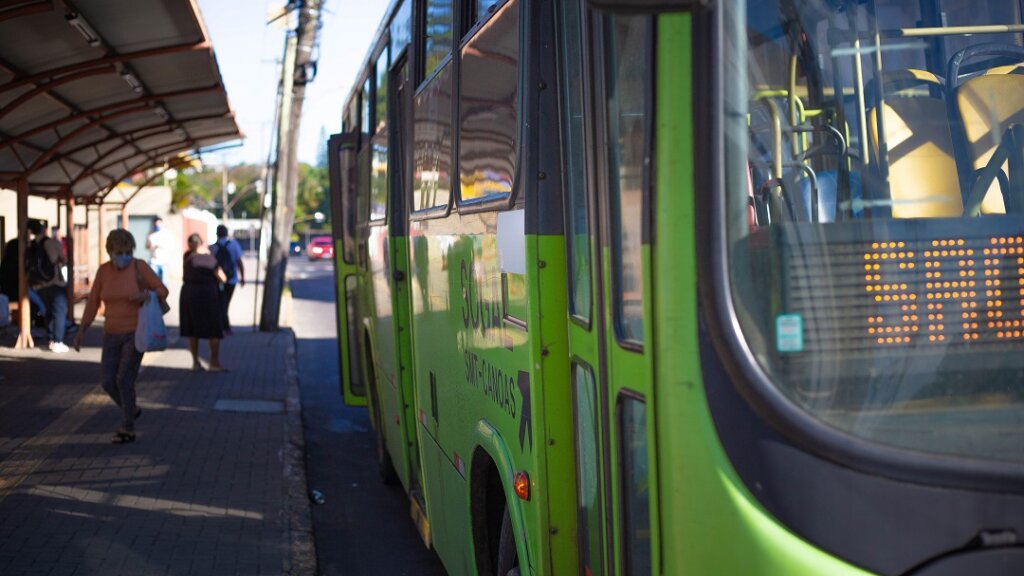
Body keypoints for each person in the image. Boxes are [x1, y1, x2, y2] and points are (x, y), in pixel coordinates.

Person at [73, 229, 169, 444]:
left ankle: (128, 427)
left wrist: (146, 295)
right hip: (110, 333)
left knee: (124, 379)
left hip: (135, 333)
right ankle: (131, 409)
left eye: (127, 251)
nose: (123, 256)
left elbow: (162, 290)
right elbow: (93, 302)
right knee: (108, 381)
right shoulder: (104, 271)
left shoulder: (139, 266)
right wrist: (82, 331)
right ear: (109, 251)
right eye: (119, 252)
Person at [181, 233, 227, 372]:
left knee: (192, 329)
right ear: (201, 243)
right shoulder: (209, 258)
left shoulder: (187, 257)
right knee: (213, 329)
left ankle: (195, 363)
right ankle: (214, 363)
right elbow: (222, 278)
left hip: (189, 294)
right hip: (208, 294)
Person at [27, 219, 69, 352]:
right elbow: (63, 259)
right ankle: (57, 340)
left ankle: (51, 338)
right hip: (55, 283)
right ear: (44, 229)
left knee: (48, 313)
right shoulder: (52, 243)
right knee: (59, 312)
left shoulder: (30, 245)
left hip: (39, 285)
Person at [0, 238, 46, 325]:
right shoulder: (14, 263)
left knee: (36, 298)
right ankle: (36, 319)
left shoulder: (6, 262)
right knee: (35, 300)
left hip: (10, 290)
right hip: (13, 292)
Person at [209, 224, 244, 335]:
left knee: (220, 303)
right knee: (225, 303)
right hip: (231, 280)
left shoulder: (212, 247)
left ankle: (222, 326)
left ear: (217, 233)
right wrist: (243, 277)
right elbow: (239, 262)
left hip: (217, 280)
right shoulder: (234, 245)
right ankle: (225, 327)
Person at [145, 216, 170, 282]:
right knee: (153, 281)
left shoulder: (166, 233)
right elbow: (147, 246)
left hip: (164, 261)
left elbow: (170, 246)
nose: (157, 225)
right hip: (154, 261)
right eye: (156, 224)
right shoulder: (150, 234)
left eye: (159, 223)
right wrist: (151, 246)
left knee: (164, 281)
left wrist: (159, 246)